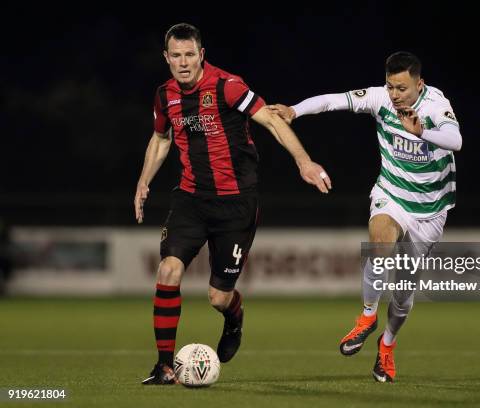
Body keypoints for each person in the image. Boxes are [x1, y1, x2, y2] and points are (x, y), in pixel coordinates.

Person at [135, 23, 332, 385]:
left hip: (236, 203)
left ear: (201, 54)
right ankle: (164, 366)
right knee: (168, 270)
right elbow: (161, 138)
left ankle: (234, 317)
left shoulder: (227, 86)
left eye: (189, 54)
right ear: (166, 58)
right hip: (190, 199)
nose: (183, 62)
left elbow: (271, 120)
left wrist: (304, 162)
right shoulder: (164, 96)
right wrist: (143, 181)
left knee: (217, 297)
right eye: (175, 56)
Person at [269, 51, 462, 382]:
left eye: (402, 88)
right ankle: (367, 316)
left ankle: (386, 346)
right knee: (379, 240)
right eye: (390, 86)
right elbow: (333, 100)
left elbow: (455, 140)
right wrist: (294, 111)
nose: (395, 94)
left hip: (430, 210)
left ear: (420, 84)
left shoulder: (435, 104)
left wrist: (421, 132)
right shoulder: (379, 99)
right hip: (391, 193)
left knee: (402, 295)